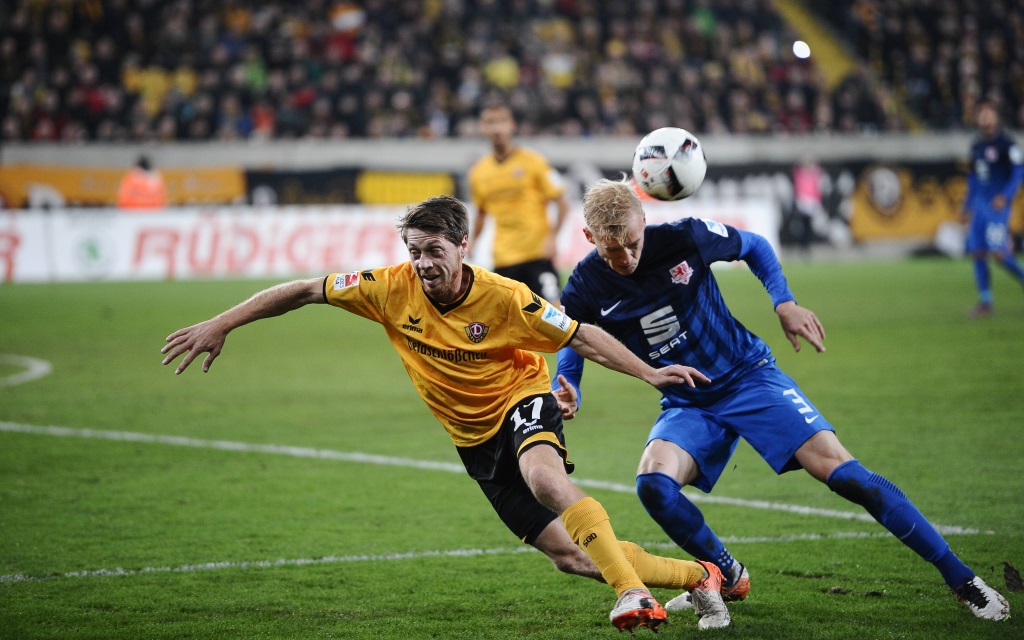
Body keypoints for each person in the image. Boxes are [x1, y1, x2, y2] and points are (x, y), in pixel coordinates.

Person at [160, 195, 730, 632]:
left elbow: (581, 336)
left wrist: (651, 373)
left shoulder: (507, 298)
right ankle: (699, 576)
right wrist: (222, 323)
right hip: (471, 438)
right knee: (568, 556)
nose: (424, 262)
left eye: (434, 250)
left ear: (462, 246)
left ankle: (631, 593)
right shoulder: (387, 288)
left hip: (521, 398)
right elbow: (307, 289)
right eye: (415, 250)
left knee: (543, 476)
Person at [551, 178, 1011, 622]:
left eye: (633, 242)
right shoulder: (586, 284)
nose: (627, 256)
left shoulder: (685, 238)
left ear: (644, 221)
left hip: (749, 378)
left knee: (848, 477)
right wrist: (570, 384)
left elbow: (754, 246)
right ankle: (727, 573)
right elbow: (575, 336)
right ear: (590, 237)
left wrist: (783, 301)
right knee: (653, 485)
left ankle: (963, 580)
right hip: (688, 401)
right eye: (613, 249)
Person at [468, 105, 570, 304]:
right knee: (506, 325)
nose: (497, 128)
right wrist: (473, 242)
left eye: (502, 122)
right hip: (503, 258)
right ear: (483, 128)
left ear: (512, 125)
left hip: (536, 254)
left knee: (556, 315)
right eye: (490, 122)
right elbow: (481, 213)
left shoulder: (534, 162)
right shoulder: (479, 173)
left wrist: (552, 237)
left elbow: (562, 203)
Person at [961, 100, 1024, 317]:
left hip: (997, 207)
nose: (985, 118)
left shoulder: (1007, 144)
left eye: (989, 113)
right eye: (982, 114)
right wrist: (966, 206)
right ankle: (985, 302)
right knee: (978, 252)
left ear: (997, 117)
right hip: (979, 206)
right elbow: (973, 179)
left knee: (998, 253)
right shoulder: (976, 146)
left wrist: (1005, 196)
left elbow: (1018, 173)